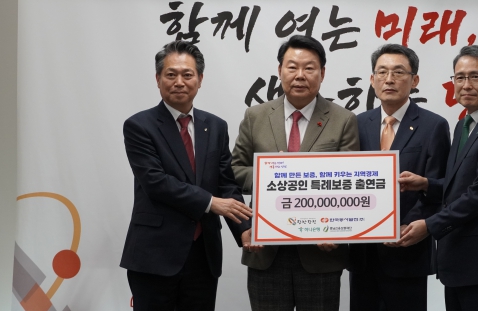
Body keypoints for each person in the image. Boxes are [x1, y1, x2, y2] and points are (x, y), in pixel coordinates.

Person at [120, 40, 253, 311]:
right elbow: (156, 182)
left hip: (203, 255)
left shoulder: (215, 126)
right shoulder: (139, 126)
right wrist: (210, 203)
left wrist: (245, 229)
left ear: (200, 79)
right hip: (155, 256)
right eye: (171, 74)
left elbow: (226, 183)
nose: (179, 82)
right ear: (158, 79)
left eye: (187, 74)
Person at [231, 34, 360, 311]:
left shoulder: (343, 120)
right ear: (280, 71)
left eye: (309, 68)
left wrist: (337, 231)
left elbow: (351, 183)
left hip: (321, 251)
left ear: (322, 73)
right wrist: (271, 174)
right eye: (292, 67)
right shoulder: (255, 116)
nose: (300, 75)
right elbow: (234, 170)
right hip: (266, 250)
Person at [398, 45, 478, 311]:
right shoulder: (465, 124)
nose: (466, 85)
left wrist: (428, 225)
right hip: (457, 260)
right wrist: (427, 184)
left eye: (475, 76)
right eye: (460, 77)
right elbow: (460, 184)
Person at [348, 44, 450, 311]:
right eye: (382, 72)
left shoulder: (434, 126)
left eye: (398, 72)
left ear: (414, 80)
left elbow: (442, 186)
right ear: (372, 79)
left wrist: (412, 225)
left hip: (408, 248)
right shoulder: (357, 123)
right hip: (363, 252)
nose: (389, 79)